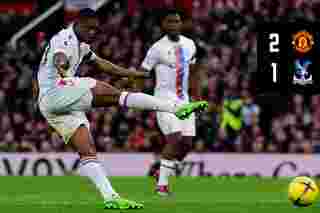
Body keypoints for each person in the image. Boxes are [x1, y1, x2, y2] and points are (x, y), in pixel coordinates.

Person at [34, 8, 208, 209]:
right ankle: (175, 108)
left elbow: (102, 64)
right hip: (57, 90)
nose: (93, 33)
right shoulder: (64, 39)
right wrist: (62, 66)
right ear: (78, 23)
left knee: (87, 150)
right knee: (117, 95)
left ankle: (111, 198)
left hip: (50, 104)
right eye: (89, 29)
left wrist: (131, 73)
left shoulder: (82, 43)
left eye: (96, 30)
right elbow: (59, 57)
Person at [139, 8, 202, 196]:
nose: (174, 25)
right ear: (163, 25)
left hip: (184, 101)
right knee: (174, 138)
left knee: (187, 144)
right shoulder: (156, 48)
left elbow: (194, 70)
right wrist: (137, 96)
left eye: (177, 22)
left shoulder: (190, 44)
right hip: (163, 101)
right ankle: (162, 187)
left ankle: (160, 172)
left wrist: (196, 96)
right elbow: (143, 72)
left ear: (181, 24)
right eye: (170, 22)